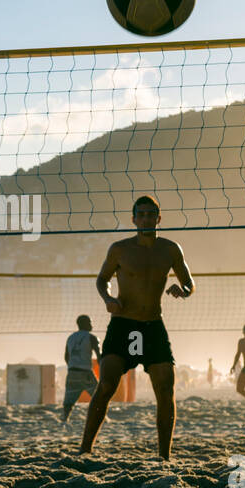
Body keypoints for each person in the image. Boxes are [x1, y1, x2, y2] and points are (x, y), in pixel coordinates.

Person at [79, 195, 193, 460]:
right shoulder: (120, 249)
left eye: (151, 214)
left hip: (153, 325)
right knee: (107, 384)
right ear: (133, 219)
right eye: (141, 215)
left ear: (158, 218)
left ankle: (164, 457)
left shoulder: (170, 249)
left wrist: (184, 290)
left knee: (165, 388)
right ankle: (84, 450)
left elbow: (190, 282)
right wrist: (108, 299)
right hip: (123, 324)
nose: (146, 219)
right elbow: (102, 279)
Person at [60, 315, 101, 425]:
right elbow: (99, 355)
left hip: (72, 371)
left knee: (69, 398)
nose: (92, 325)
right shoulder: (92, 337)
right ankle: (101, 417)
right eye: (90, 322)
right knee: (98, 396)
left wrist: (73, 366)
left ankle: (65, 418)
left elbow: (66, 356)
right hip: (85, 372)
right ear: (85, 324)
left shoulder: (71, 337)